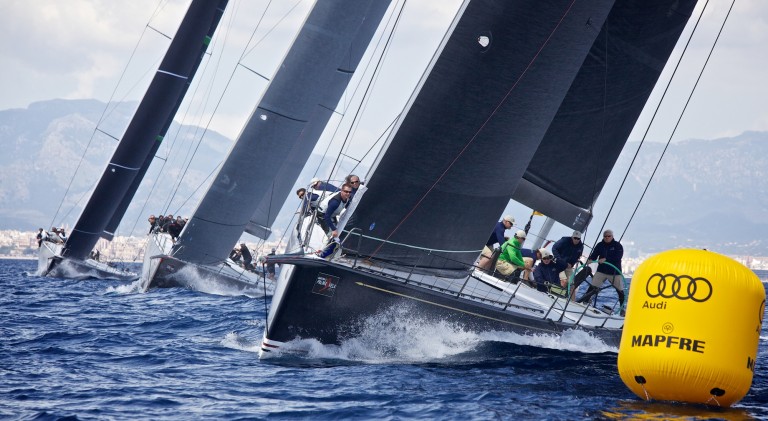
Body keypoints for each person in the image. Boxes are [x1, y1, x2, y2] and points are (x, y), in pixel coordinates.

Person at [580, 229, 625, 315]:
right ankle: (583, 302)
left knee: (620, 291)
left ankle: (622, 309)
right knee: (593, 287)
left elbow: (618, 257)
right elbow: (594, 254)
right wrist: (591, 259)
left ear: (612, 237)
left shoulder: (618, 246)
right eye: (605, 236)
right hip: (601, 271)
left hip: (614, 272)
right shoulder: (600, 245)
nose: (607, 238)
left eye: (609, 236)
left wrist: (606, 259)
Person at [552, 230, 584, 299]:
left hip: (569, 267)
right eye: (575, 238)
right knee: (564, 281)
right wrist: (560, 260)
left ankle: (572, 302)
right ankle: (558, 297)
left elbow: (579, 255)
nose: (576, 240)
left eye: (578, 239)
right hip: (559, 265)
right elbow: (554, 248)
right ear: (572, 237)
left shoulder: (581, 246)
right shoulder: (564, 240)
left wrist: (572, 263)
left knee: (572, 285)